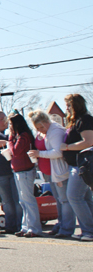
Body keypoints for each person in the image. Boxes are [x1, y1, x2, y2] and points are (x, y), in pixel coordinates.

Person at [28, 110, 74, 238]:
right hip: (50, 172)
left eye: (42, 127)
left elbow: (58, 152)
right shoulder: (45, 132)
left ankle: (67, 228)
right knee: (59, 200)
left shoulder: (55, 131)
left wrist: (39, 154)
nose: (41, 130)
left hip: (59, 171)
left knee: (65, 200)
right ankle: (61, 224)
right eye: (38, 128)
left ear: (47, 121)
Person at [58, 94, 93, 241]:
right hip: (75, 165)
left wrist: (66, 147)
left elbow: (88, 141)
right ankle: (89, 230)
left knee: (73, 196)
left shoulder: (84, 120)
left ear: (76, 106)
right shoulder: (76, 121)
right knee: (84, 198)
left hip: (82, 165)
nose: (66, 109)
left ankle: (88, 231)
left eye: (68, 106)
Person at [8, 112, 42, 237]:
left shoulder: (24, 136)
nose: (9, 127)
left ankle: (35, 228)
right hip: (18, 171)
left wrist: (10, 140)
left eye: (11, 124)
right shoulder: (18, 137)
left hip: (25, 171)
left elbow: (15, 151)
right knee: (23, 200)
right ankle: (26, 226)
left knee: (28, 200)